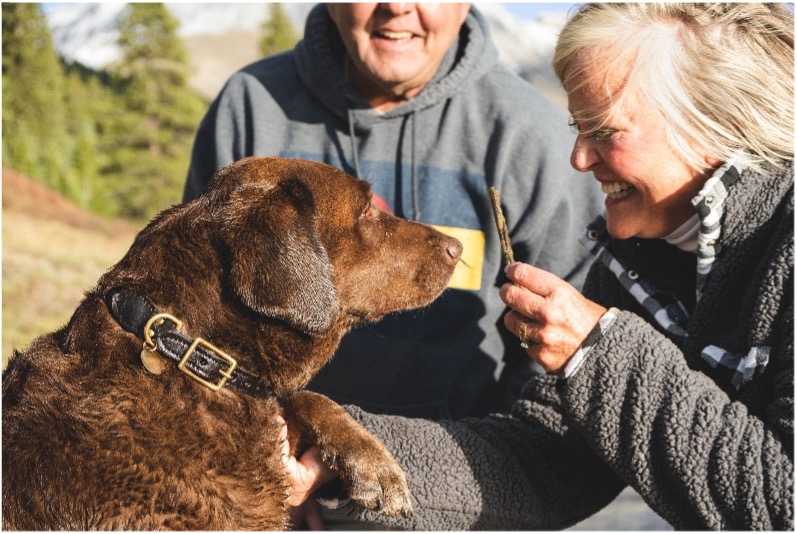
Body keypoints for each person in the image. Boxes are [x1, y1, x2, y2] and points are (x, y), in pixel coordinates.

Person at [282, 3, 794, 530]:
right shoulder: (635, 263)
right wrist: (343, 453)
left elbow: (780, 501)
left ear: (716, 120)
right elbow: (547, 463)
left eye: (605, 130)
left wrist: (597, 353)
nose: (578, 158)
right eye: (578, 126)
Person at [184, 3, 601, 422]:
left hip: (462, 465)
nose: (398, 7)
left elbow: (566, 356)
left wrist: (494, 469)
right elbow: (194, 311)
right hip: (273, 463)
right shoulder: (252, 109)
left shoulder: (530, 136)